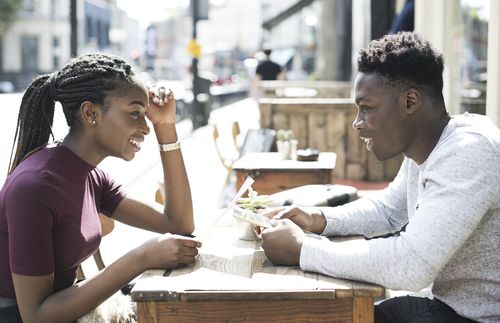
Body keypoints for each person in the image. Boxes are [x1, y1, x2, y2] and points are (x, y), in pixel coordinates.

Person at [261, 31, 499, 323]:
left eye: (366, 108)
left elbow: (412, 264)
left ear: (410, 102)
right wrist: (318, 220)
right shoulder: (429, 147)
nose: (357, 123)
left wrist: (302, 249)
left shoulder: (469, 151)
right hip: (445, 306)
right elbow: (388, 211)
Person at [0, 53, 202, 322]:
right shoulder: (35, 187)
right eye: (135, 114)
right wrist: (141, 257)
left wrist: (166, 128)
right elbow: (36, 316)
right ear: (90, 113)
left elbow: (178, 223)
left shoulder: (90, 175)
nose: (145, 127)